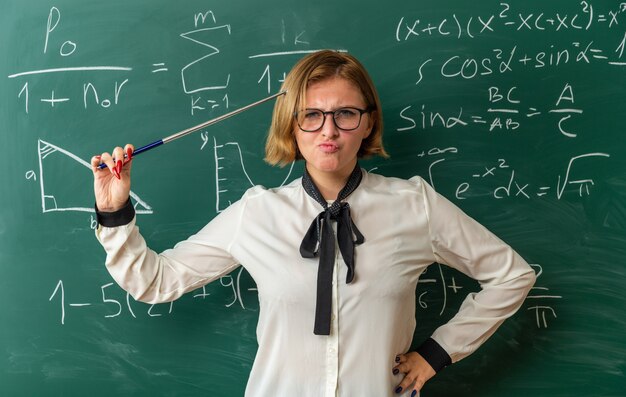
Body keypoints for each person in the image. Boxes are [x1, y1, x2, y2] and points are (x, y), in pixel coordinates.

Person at [91, 50, 536, 397]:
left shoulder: (413, 205)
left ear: (368, 124)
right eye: (312, 115)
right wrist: (114, 212)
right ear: (293, 125)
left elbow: (511, 275)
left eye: (346, 114)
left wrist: (437, 354)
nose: (329, 131)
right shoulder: (257, 214)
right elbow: (154, 282)